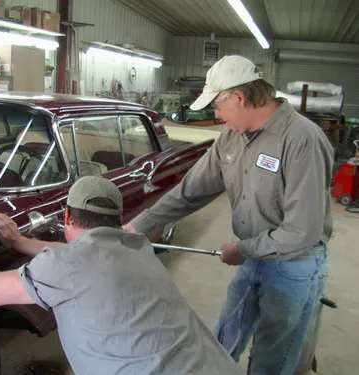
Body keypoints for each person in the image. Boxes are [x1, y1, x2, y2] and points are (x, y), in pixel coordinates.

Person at [124, 55, 333, 375]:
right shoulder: (231, 138)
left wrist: (242, 249)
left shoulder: (301, 139)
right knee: (226, 336)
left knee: (273, 353)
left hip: (295, 263)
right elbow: (191, 191)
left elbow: (301, 231)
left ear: (239, 97)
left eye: (218, 107)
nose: (217, 115)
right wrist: (138, 226)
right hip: (255, 256)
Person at [0, 176, 243, 375]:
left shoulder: (68, 266)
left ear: (67, 217)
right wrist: (19, 242)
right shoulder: (137, 246)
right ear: (117, 219)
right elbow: (76, 254)